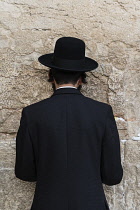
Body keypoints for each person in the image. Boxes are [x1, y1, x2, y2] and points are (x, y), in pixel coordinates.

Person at [14, 37, 123, 210]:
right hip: (91, 204)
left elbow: (24, 172)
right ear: (81, 79)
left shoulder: (32, 114)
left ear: (50, 76)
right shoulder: (102, 113)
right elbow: (112, 176)